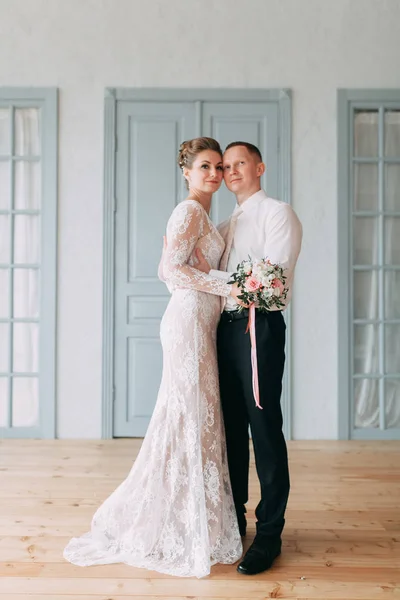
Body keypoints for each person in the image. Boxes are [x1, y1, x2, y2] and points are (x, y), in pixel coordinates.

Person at [63, 137, 243, 578]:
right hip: (187, 324)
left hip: (202, 321)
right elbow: (171, 269)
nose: (215, 175)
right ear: (186, 171)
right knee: (186, 416)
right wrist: (230, 286)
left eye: (219, 167)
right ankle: (172, 523)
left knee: (197, 418)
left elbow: (180, 269)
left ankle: (196, 519)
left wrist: (213, 282)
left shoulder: (204, 214)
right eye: (205, 167)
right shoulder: (187, 210)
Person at [194, 141, 303, 575]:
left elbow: (271, 279)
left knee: (263, 426)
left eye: (240, 163)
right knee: (232, 431)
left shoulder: (278, 213)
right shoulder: (225, 224)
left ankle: (270, 534)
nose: (232, 170)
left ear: (259, 167)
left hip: (258, 326)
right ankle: (235, 524)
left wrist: (210, 276)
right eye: (226, 165)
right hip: (223, 329)